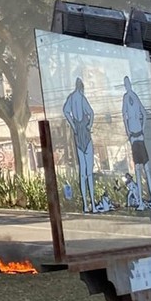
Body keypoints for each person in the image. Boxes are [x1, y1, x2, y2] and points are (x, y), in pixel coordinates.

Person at [122, 75, 151, 210]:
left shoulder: (134, 97)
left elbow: (144, 112)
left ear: (130, 84)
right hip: (134, 137)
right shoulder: (126, 98)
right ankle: (141, 202)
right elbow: (124, 116)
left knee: (146, 168)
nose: (127, 86)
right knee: (137, 168)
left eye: (128, 83)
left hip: (139, 136)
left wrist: (141, 129)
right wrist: (129, 133)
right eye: (125, 84)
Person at [63, 77, 98, 213]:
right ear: (81, 87)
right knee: (88, 173)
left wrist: (73, 125)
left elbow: (66, 111)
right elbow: (91, 113)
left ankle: (85, 205)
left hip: (78, 133)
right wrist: (89, 125)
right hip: (84, 133)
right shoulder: (81, 97)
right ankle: (93, 205)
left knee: (82, 173)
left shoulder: (71, 98)